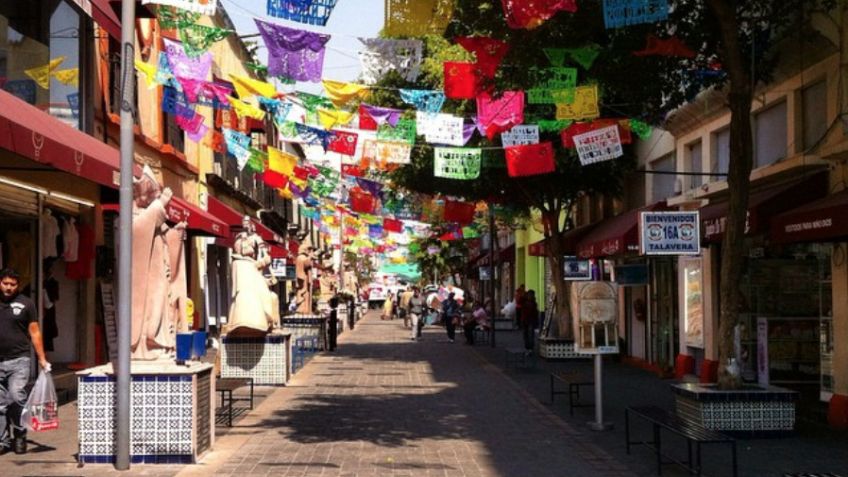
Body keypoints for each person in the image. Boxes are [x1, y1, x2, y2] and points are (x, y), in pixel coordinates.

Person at [0, 268, 50, 454]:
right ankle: (3, 441)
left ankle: (20, 433)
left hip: (19, 359)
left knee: (16, 396)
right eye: (5, 283)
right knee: (0, 404)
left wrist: (42, 359)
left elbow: (34, 331)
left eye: (13, 285)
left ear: (18, 286)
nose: (9, 288)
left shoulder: (26, 303)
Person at [227, 216, 277, 336]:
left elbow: (266, 257)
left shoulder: (256, 238)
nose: (245, 225)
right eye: (243, 222)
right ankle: (239, 321)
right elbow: (236, 253)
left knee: (263, 294)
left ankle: (261, 320)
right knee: (240, 295)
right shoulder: (237, 238)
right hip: (240, 267)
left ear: (251, 225)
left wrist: (260, 264)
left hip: (252, 267)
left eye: (247, 222)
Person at [520, 290, 539, 354]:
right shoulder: (524, 301)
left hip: (530, 321)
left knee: (530, 334)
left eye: (531, 295)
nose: (530, 296)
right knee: (526, 334)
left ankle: (530, 348)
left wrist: (536, 322)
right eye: (529, 295)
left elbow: (535, 313)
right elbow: (519, 300)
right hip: (525, 320)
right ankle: (527, 347)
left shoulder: (534, 303)